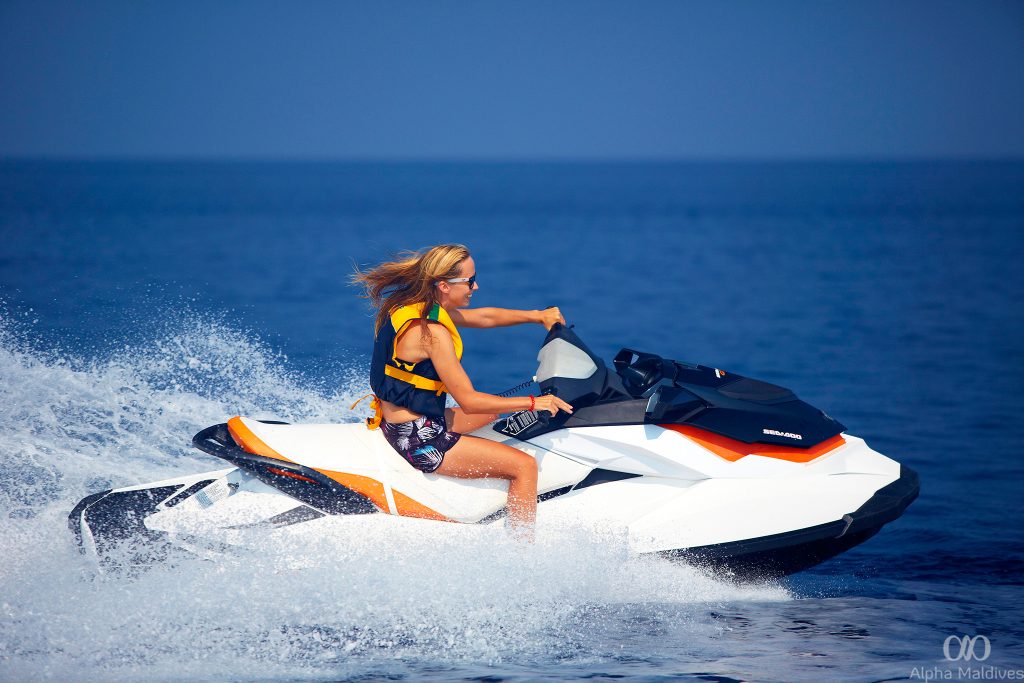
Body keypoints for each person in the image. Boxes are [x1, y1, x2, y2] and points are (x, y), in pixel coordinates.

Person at [352, 244, 573, 532]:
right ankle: (523, 555)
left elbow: (484, 317)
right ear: (444, 285)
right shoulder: (431, 334)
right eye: (470, 281)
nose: (475, 286)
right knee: (523, 467)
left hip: (410, 420)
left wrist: (537, 316)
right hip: (418, 438)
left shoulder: (413, 308)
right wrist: (534, 402)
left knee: (493, 410)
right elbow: (469, 401)